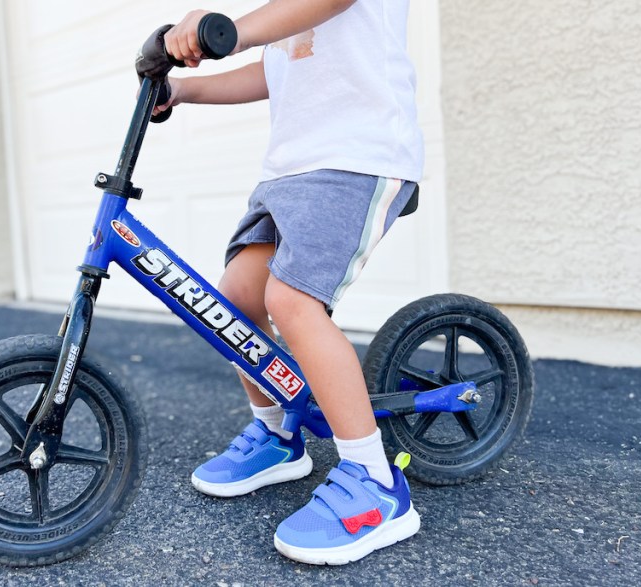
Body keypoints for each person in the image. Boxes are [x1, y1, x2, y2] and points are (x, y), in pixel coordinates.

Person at [159, 0, 424, 565]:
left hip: (357, 156)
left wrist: (228, 32)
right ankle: (279, 435)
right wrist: (184, 90)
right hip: (290, 171)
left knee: (292, 300)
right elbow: (275, 69)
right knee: (232, 302)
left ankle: (375, 482)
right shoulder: (283, 16)